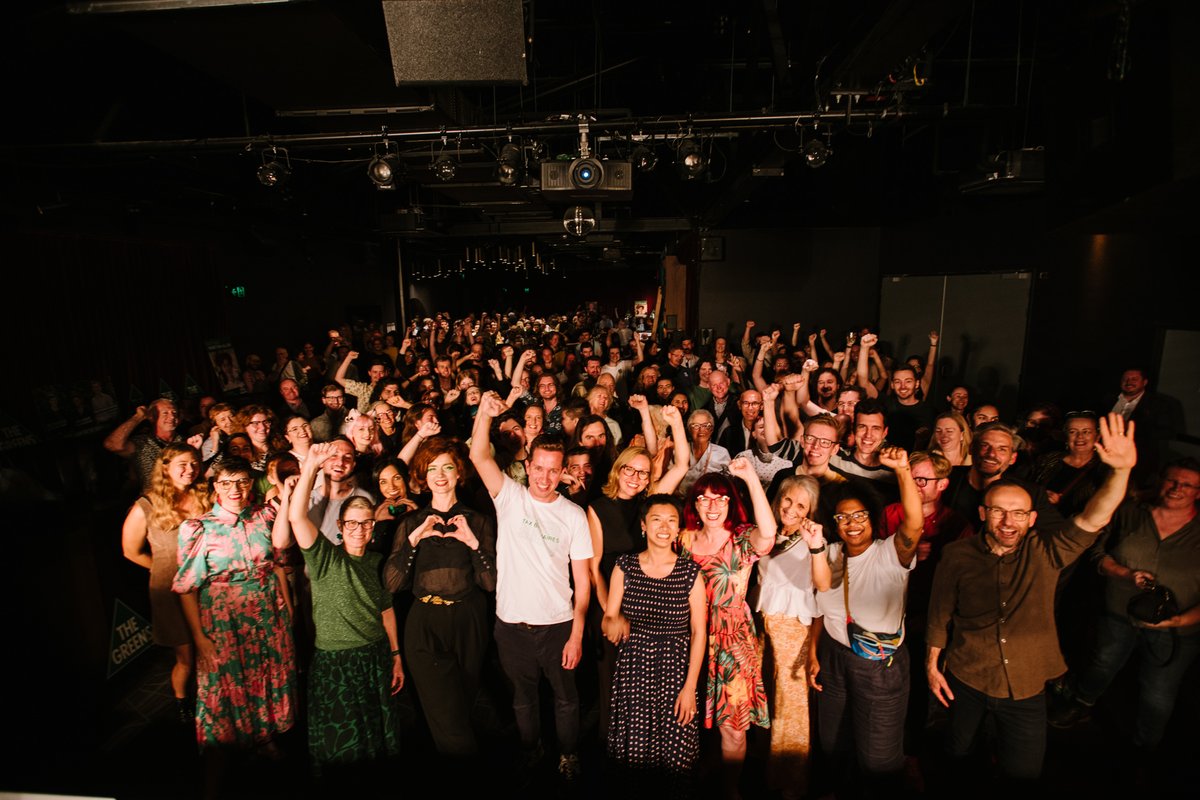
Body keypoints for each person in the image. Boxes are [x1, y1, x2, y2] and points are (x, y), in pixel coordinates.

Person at [925, 412, 1137, 785]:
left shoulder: (1049, 550)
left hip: (1024, 686)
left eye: (1018, 514)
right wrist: (931, 663)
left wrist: (1120, 472)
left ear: (1032, 518)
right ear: (982, 513)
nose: (1008, 522)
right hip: (968, 676)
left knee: (1022, 772)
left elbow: (1094, 517)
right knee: (957, 754)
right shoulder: (958, 555)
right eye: (999, 512)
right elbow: (940, 610)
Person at [469, 391, 592, 782]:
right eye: (538, 468)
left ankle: (568, 755)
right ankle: (532, 748)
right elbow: (478, 456)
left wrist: (576, 634)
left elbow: (583, 580)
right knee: (523, 701)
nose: (544, 477)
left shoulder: (573, 515)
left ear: (562, 471)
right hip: (511, 626)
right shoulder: (510, 498)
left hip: (558, 625)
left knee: (566, 699)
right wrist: (485, 416)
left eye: (553, 470)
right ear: (530, 465)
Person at [1048, 458, 1200, 752]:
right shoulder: (1131, 514)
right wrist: (1126, 574)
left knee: (1158, 692)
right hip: (1118, 613)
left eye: (1187, 484)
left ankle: (1143, 750)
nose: (1177, 488)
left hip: (1177, 630)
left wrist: (1180, 621)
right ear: (1160, 480)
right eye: (1172, 480)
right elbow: (1096, 554)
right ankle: (1081, 704)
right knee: (1102, 663)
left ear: (1198, 491)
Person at [806, 447, 925, 795]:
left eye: (859, 515)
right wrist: (814, 653)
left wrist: (903, 470)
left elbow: (914, 524)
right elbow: (822, 596)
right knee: (833, 743)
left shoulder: (890, 552)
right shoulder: (828, 553)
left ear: (872, 519)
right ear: (834, 523)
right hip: (833, 657)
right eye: (843, 518)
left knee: (878, 756)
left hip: (877, 665)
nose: (852, 523)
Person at [172, 457, 297, 787]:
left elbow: (279, 562)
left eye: (242, 482)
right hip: (225, 619)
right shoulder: (198, 528)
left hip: (268, 612)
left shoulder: (264, 516)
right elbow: (186, 587)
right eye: (227, 483)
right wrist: (198, 636)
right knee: (227, 684)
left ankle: (263, 737)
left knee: (266, 673)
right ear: (215, 487)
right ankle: (224, 758)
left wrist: (288, 606)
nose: (236, 490)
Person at [280, 443, 403, 772]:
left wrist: (395, 656)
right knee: (340, 742)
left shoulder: (377, 562)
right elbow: (296, 516)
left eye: (365, 523)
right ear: (340, 527)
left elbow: (386, 610)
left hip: (375, 657)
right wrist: (311, 468)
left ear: (372, 527)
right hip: (336, 662)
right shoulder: (324, 558)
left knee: (374, 736)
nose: (359, 530)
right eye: (352, 523)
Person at [384, 437, 497, 759]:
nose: (440, 474)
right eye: (432, 468)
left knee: (460, 706)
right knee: (444, 711)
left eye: (448, 466)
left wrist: (474, 545)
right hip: (424, 624)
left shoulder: (478, 520)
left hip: (468, 620)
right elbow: (392, 583)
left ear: (459, 473)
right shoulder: (410, 522)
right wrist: (414, 540)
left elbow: (489, 583)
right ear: (422, 475)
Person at [678, 457, 776, 798]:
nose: (712, 505)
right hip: (687, 637)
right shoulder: (684, 542)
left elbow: (769, 534)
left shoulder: (742, 538)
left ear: (731, 503)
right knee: (686, 716)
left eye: (720, 498)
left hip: (732, 642)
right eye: (703, 498)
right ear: (694, 504)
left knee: (733, 728)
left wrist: (749, 478)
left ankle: (731, 789)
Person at [603, 494, 707, 795]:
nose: (664, 526)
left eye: (672, 520)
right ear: (643, 526)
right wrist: (614, 623)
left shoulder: (690, 573)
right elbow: (608, 618)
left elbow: (699, 633)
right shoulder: (625, 566)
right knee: (635, 754)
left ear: (678, 530)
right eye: (657, 519)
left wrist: (690, 689)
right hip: (634, 668)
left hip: (674, 671)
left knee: (675, 756)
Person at [121, 443, 209, 723]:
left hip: (209, 586)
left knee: (214, 647)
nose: (190, 470)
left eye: (194, 463)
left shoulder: (206, 495)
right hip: (169, 590)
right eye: (182, 464)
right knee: (186, 654)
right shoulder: (145, 506)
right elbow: (130, 551)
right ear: (166, 467)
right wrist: (162, 570)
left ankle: (216, 700)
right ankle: (183, 704)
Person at [753, 474, 823, 800]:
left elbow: (823, 586)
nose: (792, 509)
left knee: (792, 709)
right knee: (766, 703)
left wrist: (817, 546)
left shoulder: (813, 540)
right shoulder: (767, 532)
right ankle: (768, 778)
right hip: (763, 626)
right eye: (788, 500)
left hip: (794, 627)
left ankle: (793, 784)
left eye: (801, 505)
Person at [104, 398, 186, 491]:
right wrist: (138, 417)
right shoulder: (142, 443)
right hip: (156, 501)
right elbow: (112, 444)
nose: (172, 417)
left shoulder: (185, 441)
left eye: (174, 413)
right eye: (165, 413)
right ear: (152, 417)